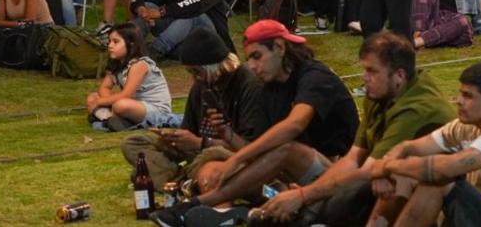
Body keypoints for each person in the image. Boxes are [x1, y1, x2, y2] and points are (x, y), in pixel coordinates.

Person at [151, 21, 358, 225]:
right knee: (214, 172)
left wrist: (236, 159)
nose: (252, 66)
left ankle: (193, 206)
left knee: (286, 150)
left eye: (257, 56)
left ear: (279, 47)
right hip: (289, 178)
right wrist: (228, 135)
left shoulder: (314, 76)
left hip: (337, 176)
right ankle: (228, 213)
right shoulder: (270, 89)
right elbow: (261, 153)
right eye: (249, 58)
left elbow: (294, 125)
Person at [248, 32, 457, 227]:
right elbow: (353, 158)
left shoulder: (415, 110)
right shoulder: (383, 91)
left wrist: (304, 196)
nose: (364, 77)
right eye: (365, 69)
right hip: (377, 178)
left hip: (428, 196)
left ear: (400, 75)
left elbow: (368, 172)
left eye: (372, 71)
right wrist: (305, 195)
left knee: (386, 182)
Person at [369, 62, 481, 227]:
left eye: (468, 96)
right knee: (405, 174)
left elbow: (443, 169)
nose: (459, 101)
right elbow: (410, 147)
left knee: (437, 180)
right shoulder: (467, 127)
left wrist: (386, 166)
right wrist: (386, 171)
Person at [119, 27, 267, 187]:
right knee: (134, 142)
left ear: (214, 67)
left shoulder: (249, 84)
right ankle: (179, 179)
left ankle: (170, 177)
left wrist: (201, 143)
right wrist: (174, 138)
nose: (194, 78)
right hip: (198, 150)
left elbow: (249, 147)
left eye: (196, 71)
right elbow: (189, 131)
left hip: (230, 153)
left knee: (214, 153)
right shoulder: (201, 85)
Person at [86, 22, 179, 132]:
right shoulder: (117, 64)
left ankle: (107, 118)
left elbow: (126, 94)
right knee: (92, 97)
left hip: (155, 109)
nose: (110, 45)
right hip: (133, 104)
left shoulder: (139, 64)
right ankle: (116, 120)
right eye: (109, 41)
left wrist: (101, 102)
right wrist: (104, 101)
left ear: (131, 44)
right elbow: (104, 87)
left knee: (120, 105)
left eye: (116, 42)